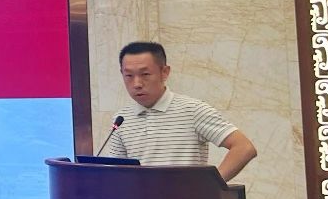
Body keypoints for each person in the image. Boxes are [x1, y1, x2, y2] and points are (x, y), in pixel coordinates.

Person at [105, 41, 257, 181]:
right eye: (129, 76)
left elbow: (244, 147)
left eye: (145, 74)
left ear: (165, 72)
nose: (137, 83)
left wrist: (212, 186)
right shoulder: (121, 119)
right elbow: (116, 173)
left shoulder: (193, 110)